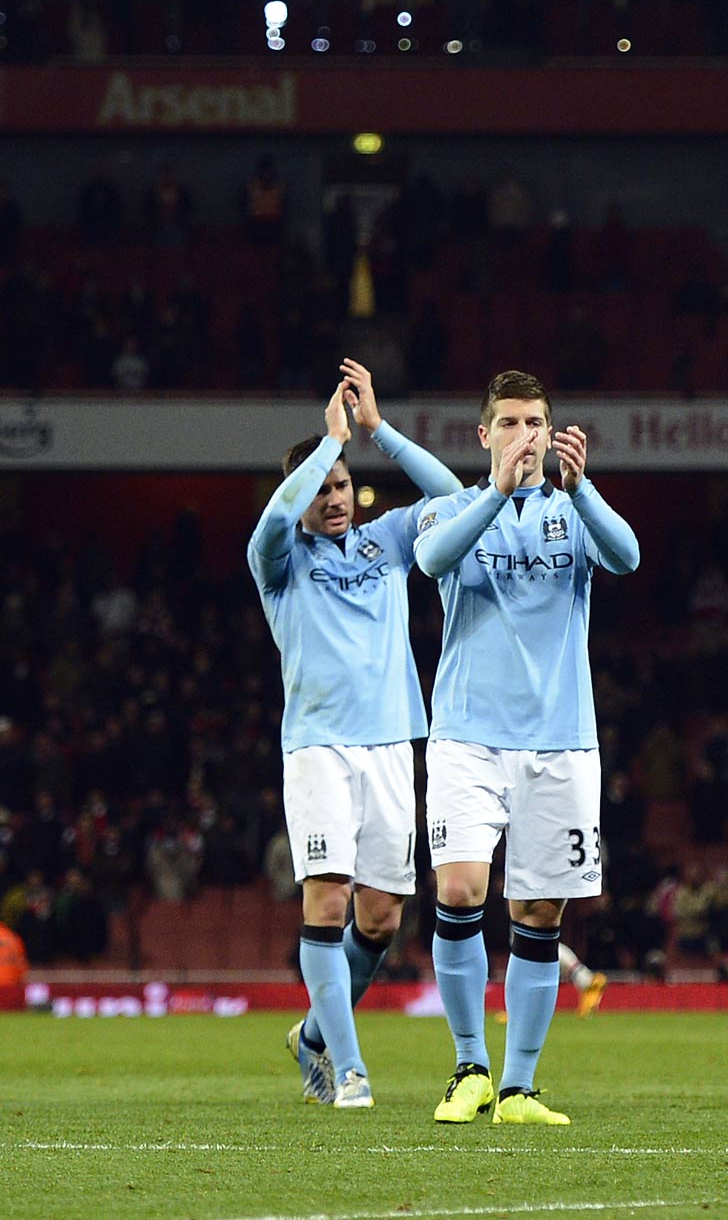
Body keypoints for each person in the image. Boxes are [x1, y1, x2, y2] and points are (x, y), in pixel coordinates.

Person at [415, 371, 640, 1127]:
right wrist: (495, 494)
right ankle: (469, 1067)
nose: (525, 435)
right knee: (459, 891)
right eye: (509, 422)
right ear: (484, 436)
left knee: (540, 910)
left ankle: (517, 1088)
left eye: (536, 421)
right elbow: (433, 561)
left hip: (561, 743)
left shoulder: (572, 510)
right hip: (467, 738)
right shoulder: (454, 508)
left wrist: (582, 491)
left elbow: (628, 557)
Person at [250, 359, 463, 1111]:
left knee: (382, 915)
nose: (333, 498)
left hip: (391, 744)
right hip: (317, 748)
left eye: (340, 484)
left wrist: (377, 432)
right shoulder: (279, 564)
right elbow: (274, 520)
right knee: (329, 898)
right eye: (320, 488)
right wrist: (319, 451)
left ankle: (311, 1033)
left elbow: (456, 497)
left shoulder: (388, 541)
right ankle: (348, 1068)